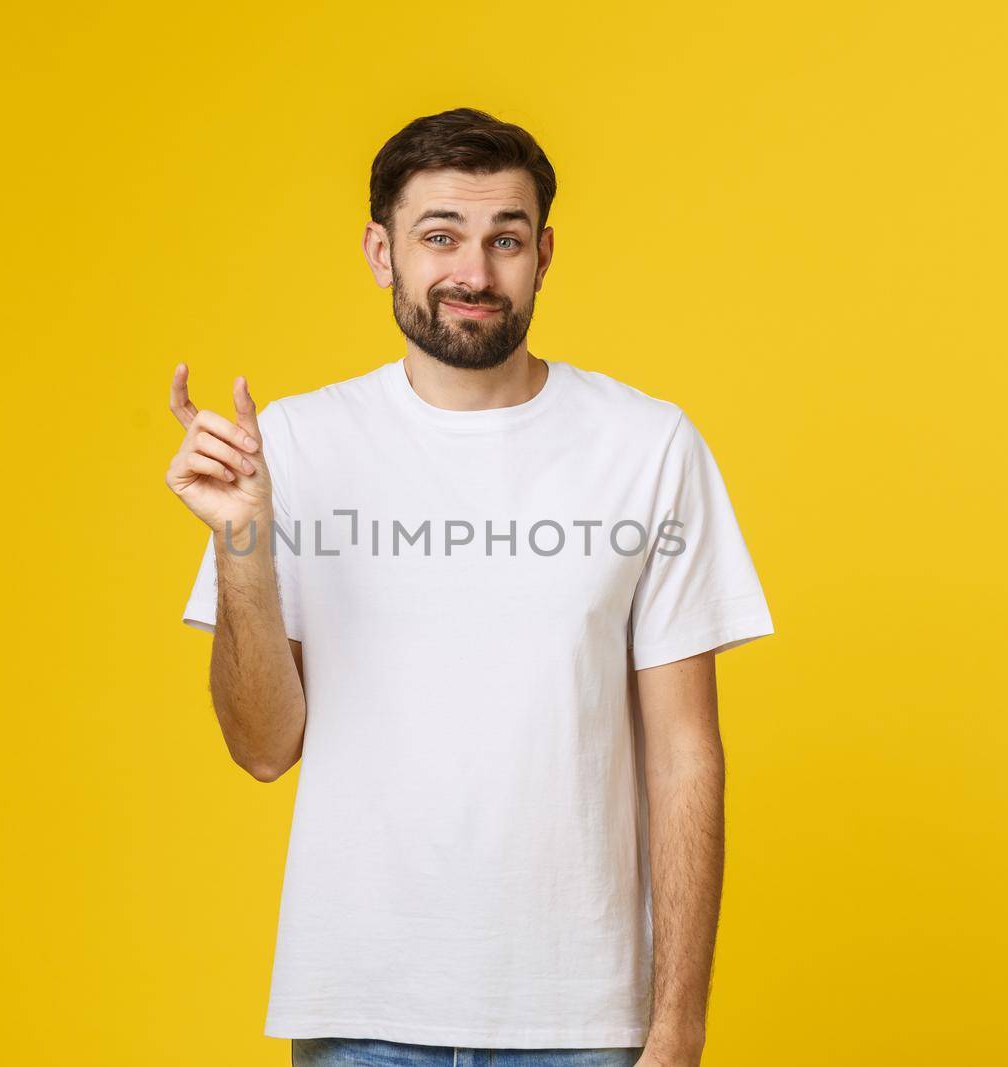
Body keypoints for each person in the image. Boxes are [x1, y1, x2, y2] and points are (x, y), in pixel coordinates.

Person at [165, 107, 775, 1067]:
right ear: (381, 251)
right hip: (361, 1009)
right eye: (439, 236)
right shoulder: (294, 447)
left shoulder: (647, 446)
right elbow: (262, 746)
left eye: (507, 239)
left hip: (584, 1023)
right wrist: (244, 540)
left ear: (544, 254)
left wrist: (678, 1028)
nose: (475, 274)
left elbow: (685, 754)